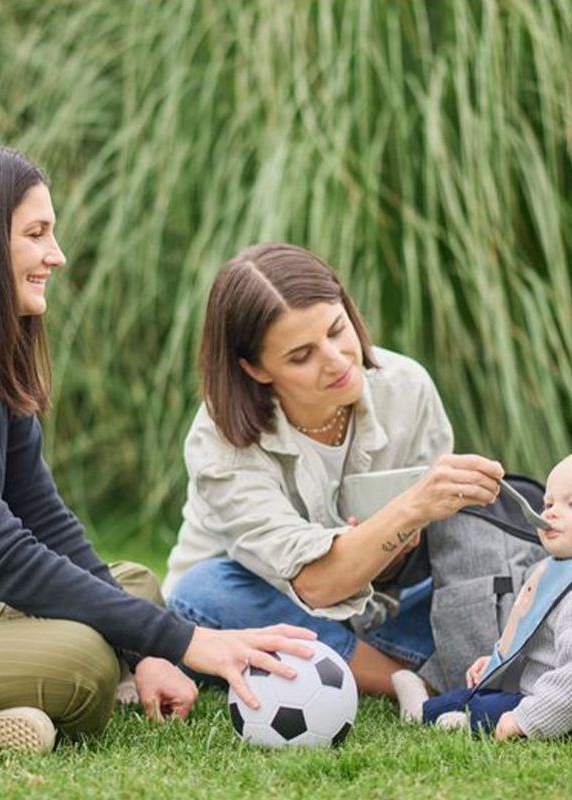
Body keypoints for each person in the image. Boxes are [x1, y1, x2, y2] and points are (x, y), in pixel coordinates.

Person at [0, 143, 316, 754]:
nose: (57, 255)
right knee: (81, 660)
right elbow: (2, 560)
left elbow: (46, 523)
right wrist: (185, 642)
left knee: (133, 584)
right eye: (36, 234)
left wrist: (146, 650)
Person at [163, 242, 538, 697]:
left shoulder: (406, 386)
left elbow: (410, 564)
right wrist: (410, 509)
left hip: (376, 606)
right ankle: (413, 677)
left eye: (337, 330)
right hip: (262, 603)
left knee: (484, 577)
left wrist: (400, 545)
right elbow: (315, 585)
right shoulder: (220, 439)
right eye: (301, 356)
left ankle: (386, 660)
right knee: (202, 592)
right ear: (255, 369)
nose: (338, 360)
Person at [392, 448, 572, 738]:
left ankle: (457, 720)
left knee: (490, 708)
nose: (551, 512)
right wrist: (497, 663)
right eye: (549, 503)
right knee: (473, 696)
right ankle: (423, 712)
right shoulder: (570, 570)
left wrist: (526, 721)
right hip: (552, 694)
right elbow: (541, 642)